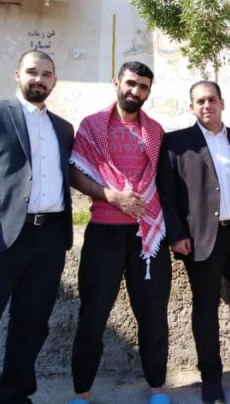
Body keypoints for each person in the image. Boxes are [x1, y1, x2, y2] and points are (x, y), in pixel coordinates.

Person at [156, 81, 230, 404]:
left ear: (221, 103)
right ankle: (211, 378)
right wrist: (176, 234)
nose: (206, 105)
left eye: (211, 100)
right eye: (200, 101)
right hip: (200, 239)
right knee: (205, 307)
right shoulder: (176, 143)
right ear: (192, 107)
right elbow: (166, 193)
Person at [67, 62, 172, 404]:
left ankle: (158, 390)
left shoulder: (155, 131)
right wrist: (111, 196)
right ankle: (82, 393)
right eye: (130, 83)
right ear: (116, 82)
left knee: (153, 317)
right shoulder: (92, 125)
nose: (135, 91)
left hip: (147, 238)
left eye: (143, 87)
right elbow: (75, 173)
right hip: (103, 234)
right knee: (93, 316)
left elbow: (162, 180)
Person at [0, 50, 74, 403]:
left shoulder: (63, 128)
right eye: (32, 72)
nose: (39, 79)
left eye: (46, 74)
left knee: (31, 325)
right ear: (18, 74)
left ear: (54, 81)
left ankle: (15, 396)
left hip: (49, 238)